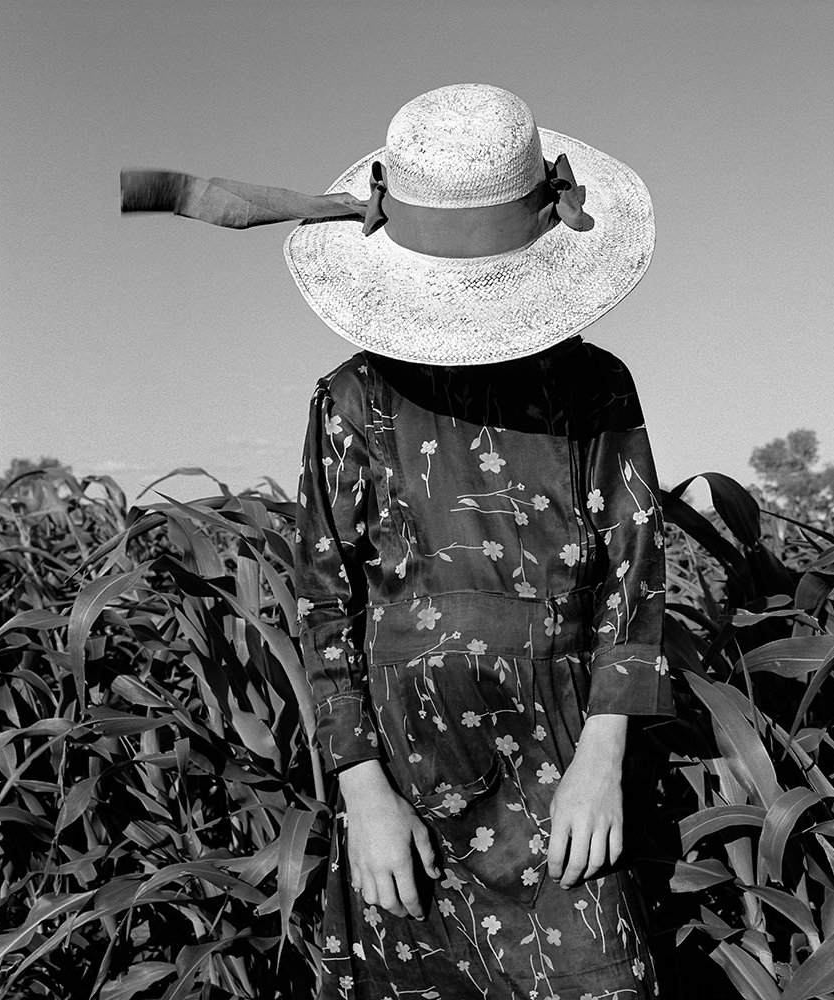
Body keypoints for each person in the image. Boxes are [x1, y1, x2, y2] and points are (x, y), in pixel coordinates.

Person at [122, 82, 673, 1000]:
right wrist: (364, 793)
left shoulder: (594, 389)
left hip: (566, 752)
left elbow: (634, 572)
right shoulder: (348, 400)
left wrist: (602, 758)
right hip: (402, 773)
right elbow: (325, 602)